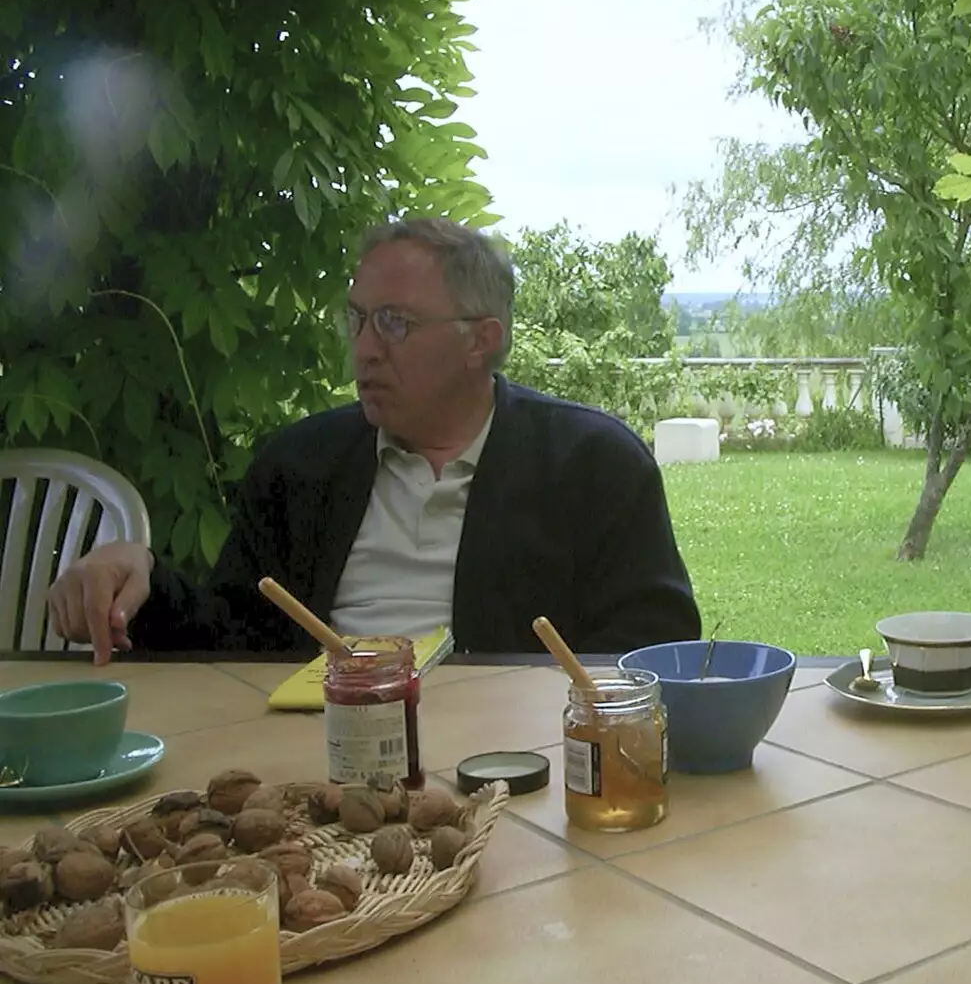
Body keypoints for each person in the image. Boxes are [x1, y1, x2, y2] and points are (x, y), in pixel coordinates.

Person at [48, 218, 701, 663]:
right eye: (357, 320)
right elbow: (240, 635)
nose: (363, 350)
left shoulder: (592, 465)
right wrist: (146, 580)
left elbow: (652, 646)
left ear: (481, 340)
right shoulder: (299, 467)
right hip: (320, 763)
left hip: (517, 758)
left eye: (394, 323)